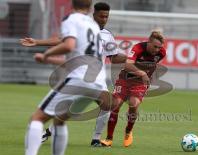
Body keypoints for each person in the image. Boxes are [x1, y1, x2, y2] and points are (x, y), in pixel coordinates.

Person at [20, 2, 126, 147]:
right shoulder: (83, 25)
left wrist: (130, 58)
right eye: (101, 16)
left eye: (106, 16)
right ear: (92, 13)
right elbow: (62, 41)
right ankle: (48, 132)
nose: (104, 19)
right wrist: (38, 42)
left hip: (96, 79)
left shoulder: (107, 35)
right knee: (67, 111)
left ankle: (96, 139)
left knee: (104, 106)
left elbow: (113, 57)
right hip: (80, 75)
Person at [100, 31, 166, 147]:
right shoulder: (138, 48)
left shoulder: (161, 53)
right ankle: (109, 139)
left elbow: (152, 65)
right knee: (115, 105)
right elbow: (127, 65)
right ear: (148, 42)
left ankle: (128, 131)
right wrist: (141, 72)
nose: (157, 50)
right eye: (155, 46)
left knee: (133, 104)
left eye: (159, 47)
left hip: (140, 83)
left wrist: (147, 77)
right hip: (125, 79)